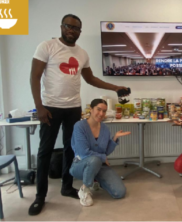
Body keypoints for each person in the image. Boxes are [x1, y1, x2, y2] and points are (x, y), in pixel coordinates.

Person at [29, 14, 128, 215]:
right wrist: (39, 106)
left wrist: (115, 87)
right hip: (50, 107)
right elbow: (35, 76)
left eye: (75, 28)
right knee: (45, 151)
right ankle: (40, 196)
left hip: (73, 107)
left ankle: (67, 187)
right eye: (68, 26)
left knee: (70, 150)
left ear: (80, 32)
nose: (71, 30)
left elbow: (91, 78)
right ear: (61, 27)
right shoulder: (47, 46)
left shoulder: (81, 54)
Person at [70, 99, 130, 206]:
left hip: (100, 166)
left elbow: (105, 152)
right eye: (98, 109)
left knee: (119, 192)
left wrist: (115, 139)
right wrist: (102, 158)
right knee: (94, 160)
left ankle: (96, 180)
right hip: (80, 165)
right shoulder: (79, 126)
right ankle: (85, 189)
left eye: (104, 111)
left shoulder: (105, 129)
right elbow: (83, 153)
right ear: (91, 110)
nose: (101, 113)